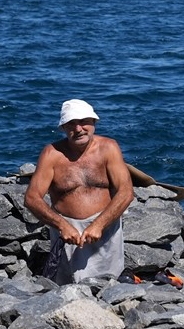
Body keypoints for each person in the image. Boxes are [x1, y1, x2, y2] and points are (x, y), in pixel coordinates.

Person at [25, 99, 133, 283]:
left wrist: (99, 224)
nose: (79, 129)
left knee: (110, 286)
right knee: (68, 288)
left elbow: (126, 192)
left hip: (106, 231)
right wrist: (62, 226)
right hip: (68, 235)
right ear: (64, 128)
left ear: (94, 123)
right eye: (71, 124)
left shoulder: (108, 148)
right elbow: (32, 198)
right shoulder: (52, 154)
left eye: (84, 122)